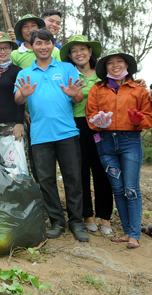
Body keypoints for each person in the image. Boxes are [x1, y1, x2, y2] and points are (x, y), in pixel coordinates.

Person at [14, 29, 88, 242]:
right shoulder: (24, 73)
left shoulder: (66, 68)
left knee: (73, 179)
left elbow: (79, 97)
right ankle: (57, 221)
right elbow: (18, 99)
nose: (43, 47)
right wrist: (23, 94)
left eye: (47, 43)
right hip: (40, 136)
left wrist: (75, 95)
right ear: (32, 46)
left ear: (53, 45)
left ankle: (76, 221)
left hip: (67, 133)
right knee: (45, 180)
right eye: (38, 43)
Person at [86, 48, 152, 249]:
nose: (115, 66)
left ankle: (134, 235)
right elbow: (91, 114)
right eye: (110, 62)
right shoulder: (97, 89)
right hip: (105, 142)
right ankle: (126, 231)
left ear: (126, 65)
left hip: (129, 141)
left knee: (131, 189)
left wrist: (137, 122)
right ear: (104, 67)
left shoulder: (139, 90)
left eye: (119, 61)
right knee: (117, 188)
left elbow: (147, 117)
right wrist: (99, 122)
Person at [59, 35, 113, 235]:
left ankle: (105, 217)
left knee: (102, 171)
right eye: (74, 51)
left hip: (101, 127)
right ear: (70, 56)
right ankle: (87, 215)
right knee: (80, 171)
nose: (79, 53)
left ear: (90, 52)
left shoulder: (103, 74)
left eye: (83, 49)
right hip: (76, 125)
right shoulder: (68, 75)